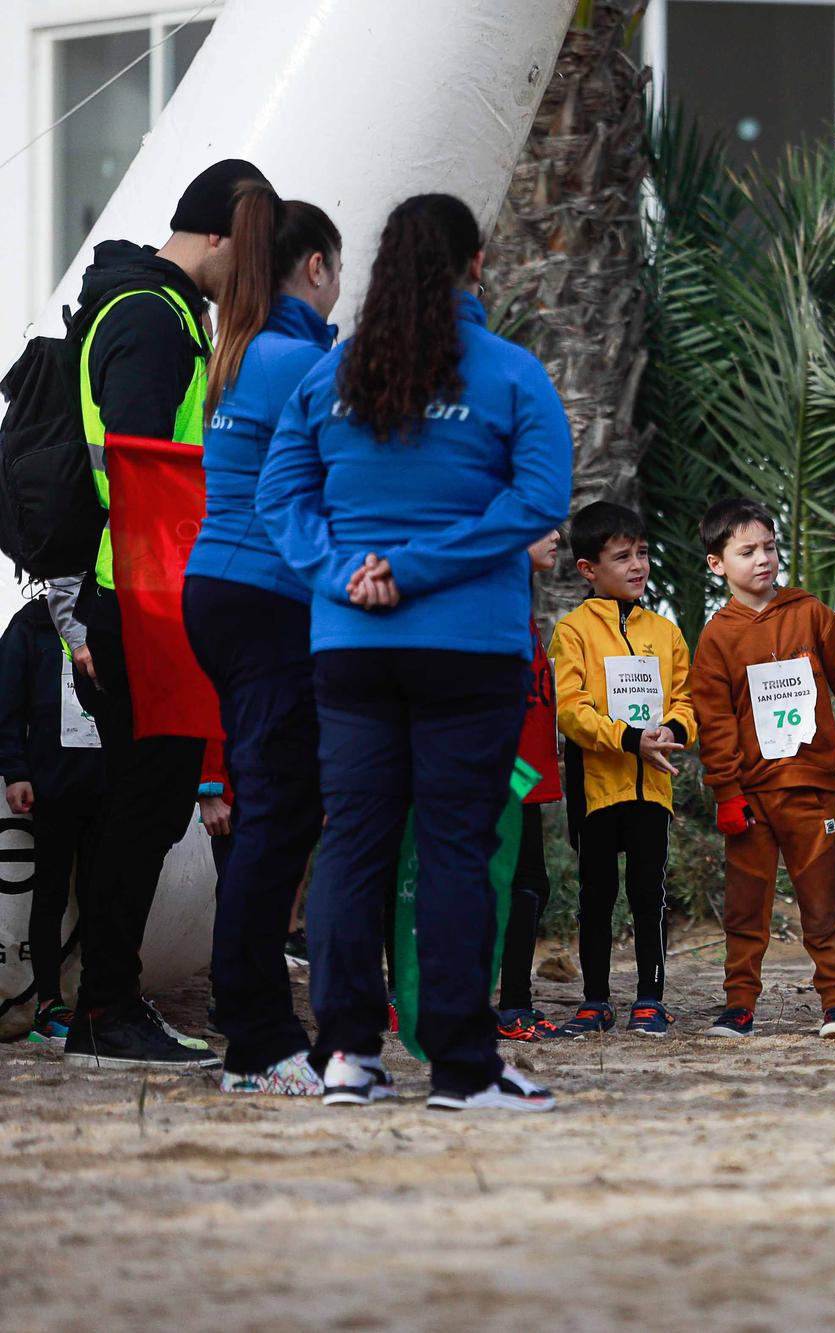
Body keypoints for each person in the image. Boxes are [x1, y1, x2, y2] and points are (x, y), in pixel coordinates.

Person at [259, 192, 570, 1112]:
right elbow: (538, 502)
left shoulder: (331, 377)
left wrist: (348, 571)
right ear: (476, 265)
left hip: (351, 646)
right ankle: (464, 1068)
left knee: (353, 846)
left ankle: (347, 1054)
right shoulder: (513, 375)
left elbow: (281, 500)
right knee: (454, 850)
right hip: (468, 649)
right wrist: (421, 566)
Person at [56, 158, 268, 1072]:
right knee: (147, 802)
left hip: (134, 593)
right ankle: (106, 1004)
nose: (251, 272)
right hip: (139, 598)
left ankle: (108, 998)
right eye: (251, 249)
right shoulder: (153, 315)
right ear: (217, 232)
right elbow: (139, 478)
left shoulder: (145, 303)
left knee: (145, 801)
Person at [181, 182, 341, 1096]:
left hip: (225, 592)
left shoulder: (244, 349)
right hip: (266, 598)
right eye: (337, 275)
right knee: (277, 822)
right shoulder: (295, 361)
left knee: (274, 820)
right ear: (314, 267)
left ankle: (257, 1030)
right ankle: (257, 1040)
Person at [691, 497, 835, 1040]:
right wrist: (726, 791)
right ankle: (739, 1005)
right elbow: (715, 720)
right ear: (717, 563)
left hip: (812, 789)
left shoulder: (811, 614)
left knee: (824, 902)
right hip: (750, 797)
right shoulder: (717, 636)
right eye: (747, 550)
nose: (763, 559)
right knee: (746, 908)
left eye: (770, 547)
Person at [548, 501, 695, 1039]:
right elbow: (571, 710)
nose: (637, 566)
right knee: (597, 892)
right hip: (597, 788)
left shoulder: (666, 632)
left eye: (643, 553)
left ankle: (650, 998)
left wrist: (672, 733)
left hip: (654, 786)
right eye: (621, 556)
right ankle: (594, 999)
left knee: (648, 890)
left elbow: (686, 699)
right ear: (589, 569)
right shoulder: (573, 631)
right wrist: (631, 738)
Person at [0, 598, 106, 1046]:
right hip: (53, 786)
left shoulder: (111, 617)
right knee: (49, 897)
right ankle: (48, 1006)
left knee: (106, 897)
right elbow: (7, 704)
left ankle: (105, 1001)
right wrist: (17, 771)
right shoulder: (30, 624)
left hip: (110, 786)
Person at [494, 530, 565, 1043]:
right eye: (541, 524)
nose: (556, 534)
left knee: (529, 884)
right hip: (504, 778)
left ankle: (514, 1003)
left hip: (525, 776)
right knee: (519, 884)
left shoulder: (520, 603)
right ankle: (513, 1006)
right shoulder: (492, 604)